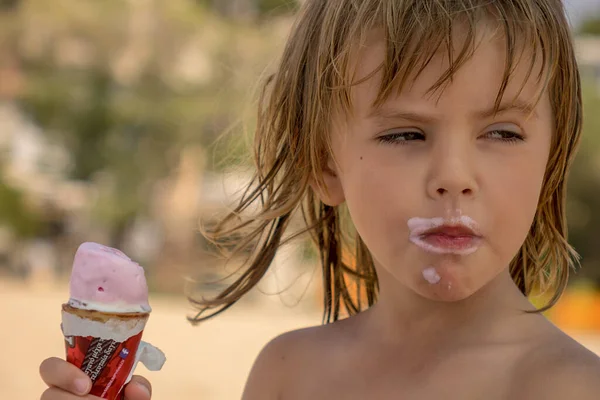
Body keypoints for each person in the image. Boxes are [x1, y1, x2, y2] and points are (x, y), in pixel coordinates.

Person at [39, 0, 600, 399]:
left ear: (553, 155)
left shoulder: (570, 389)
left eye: (502, 133)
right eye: (405, 134)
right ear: (323, 164)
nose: (454, 176)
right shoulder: (288, 374)